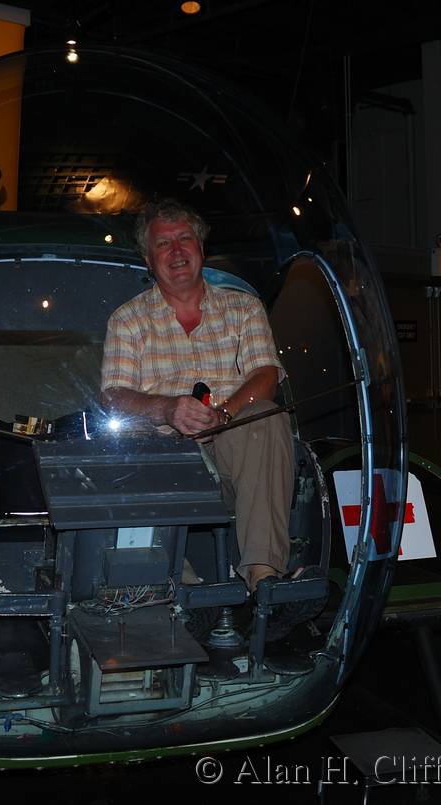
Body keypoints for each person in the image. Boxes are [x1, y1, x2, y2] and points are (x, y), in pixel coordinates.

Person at [100, 198, 293, 594]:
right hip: (164, 460)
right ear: (148, 260)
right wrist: (167, 409)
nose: (176, 251)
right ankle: (176, 586)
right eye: (163, 243)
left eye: (184, 239)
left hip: (233, 455)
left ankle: (264, 576)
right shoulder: (127, 320)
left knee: (267, 415)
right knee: (131, 437)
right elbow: (114, 396)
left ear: (201, 248)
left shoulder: (244, 309)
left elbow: (266, 374)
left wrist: (223, 415)